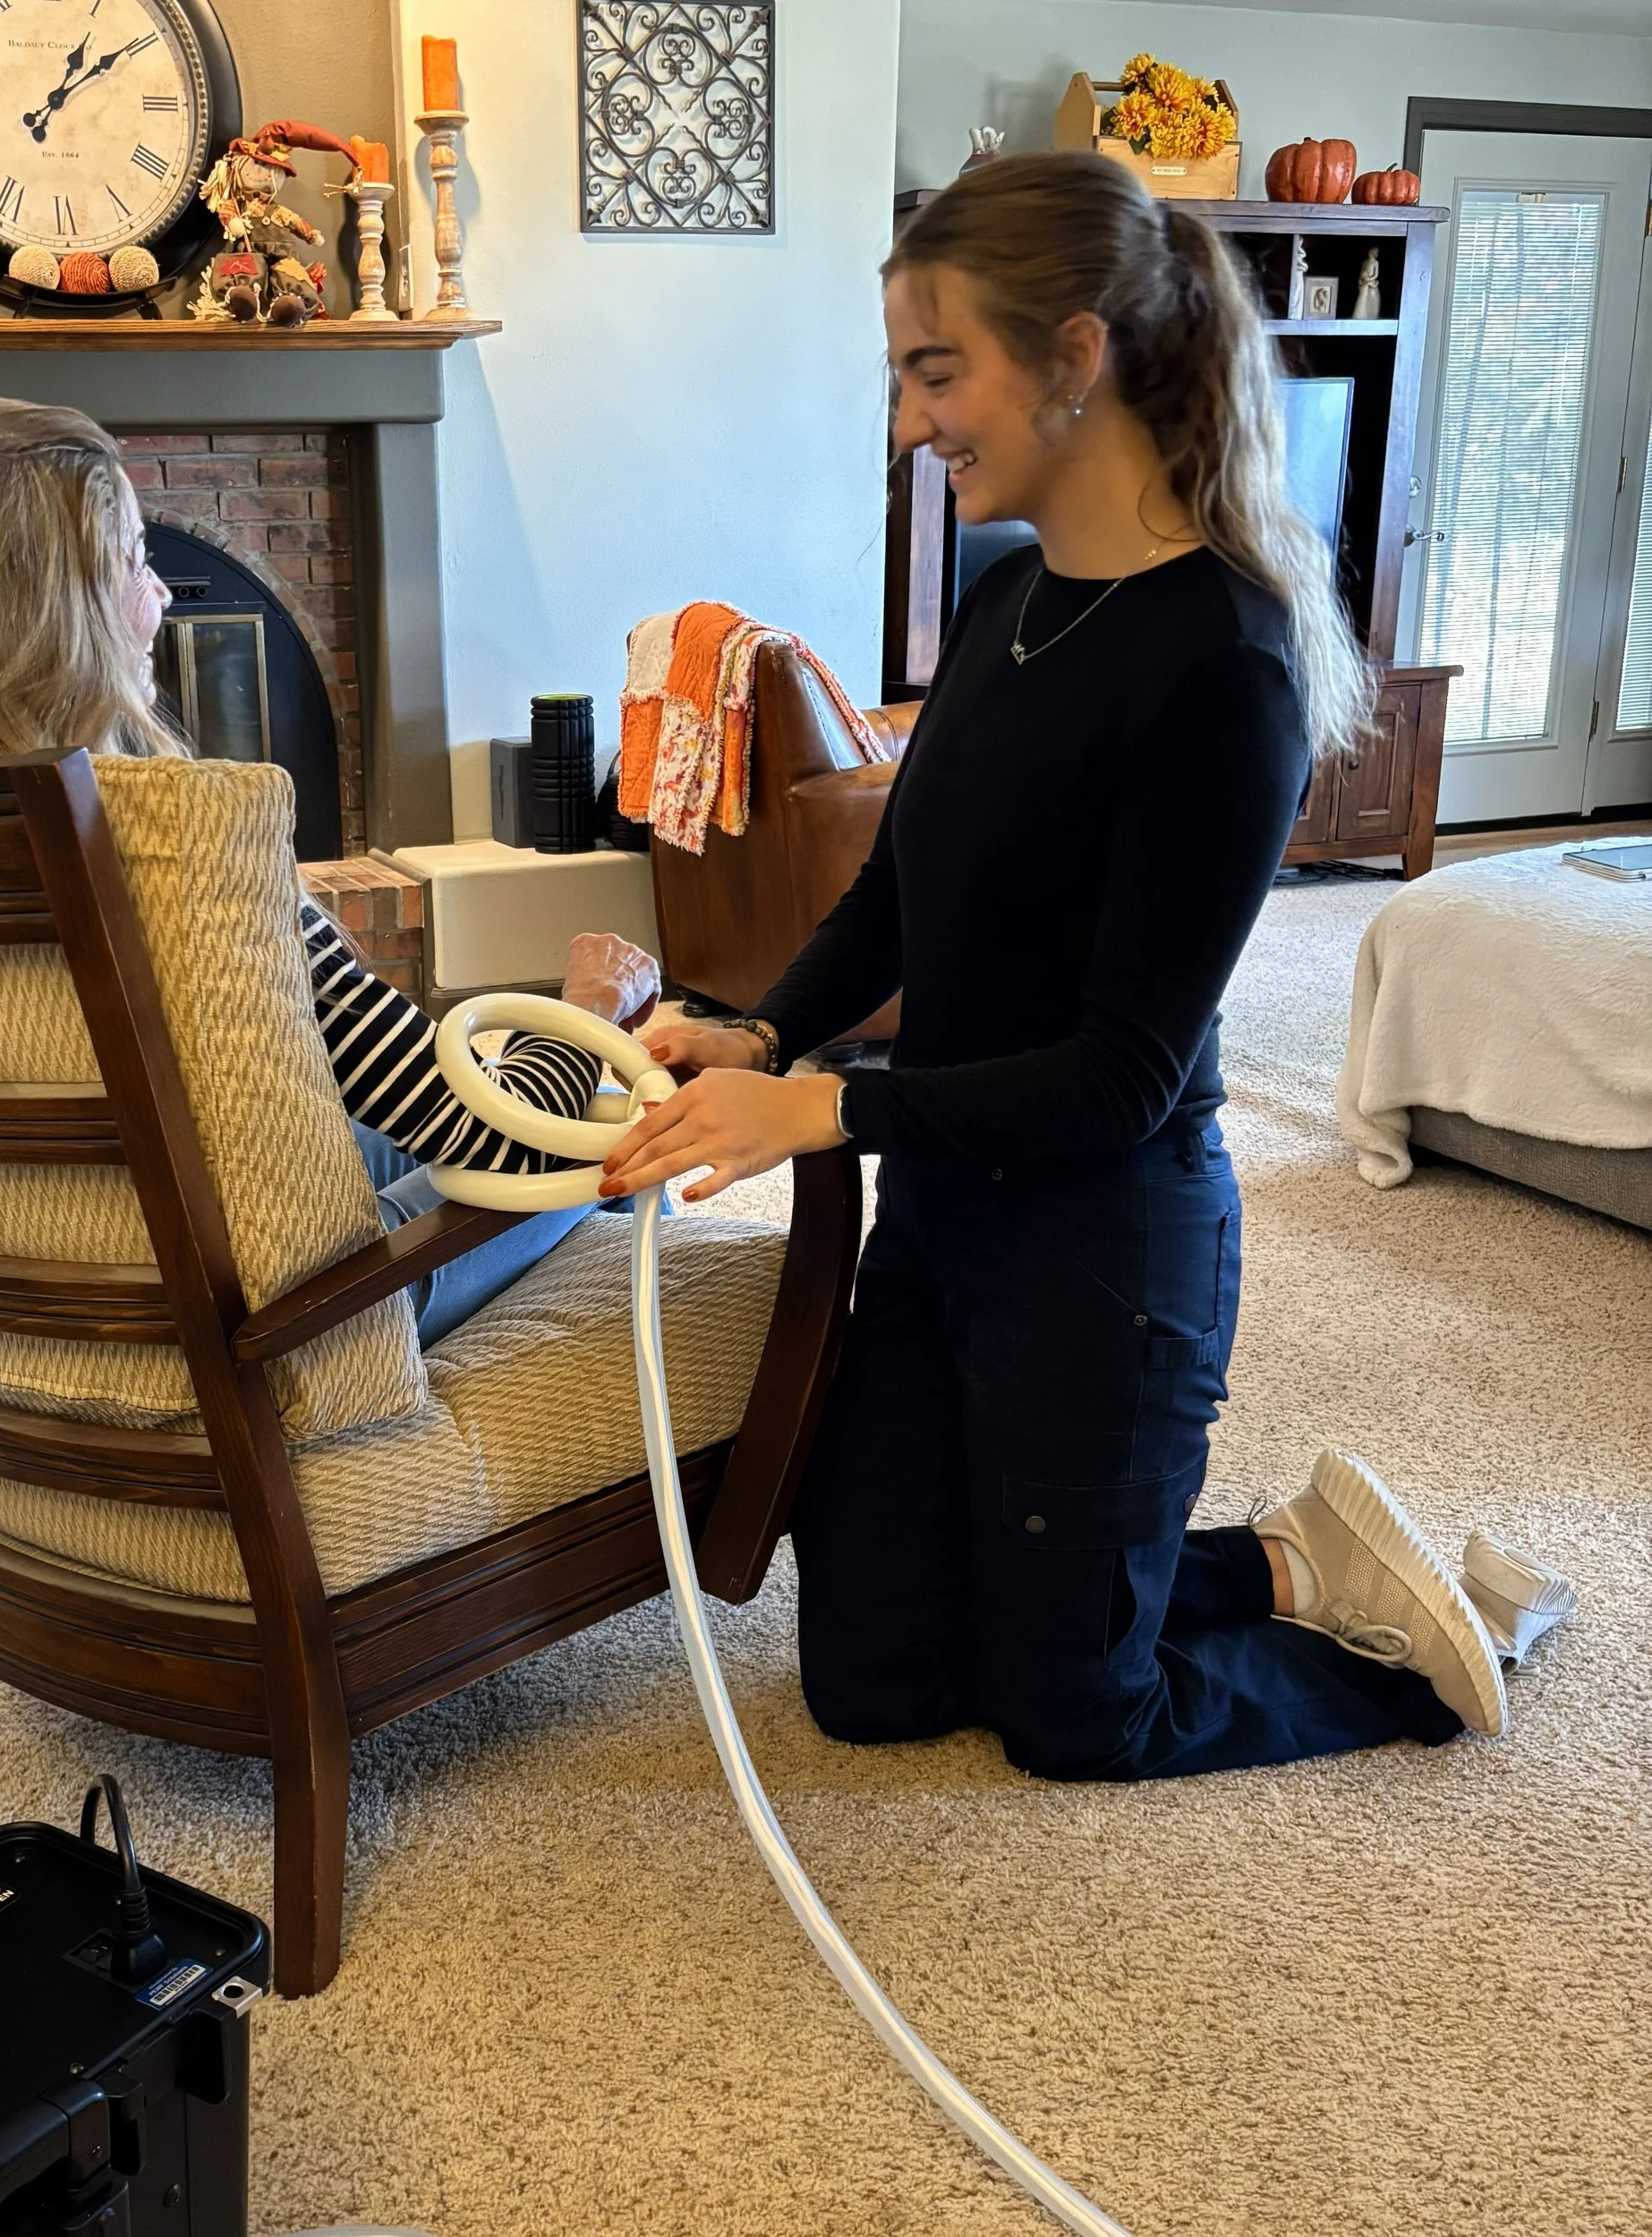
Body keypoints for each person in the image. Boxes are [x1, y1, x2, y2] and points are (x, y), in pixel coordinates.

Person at [600, 152, 1572, 1776]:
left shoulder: (1226, 661)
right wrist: (762, 1040)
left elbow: (1121, 1076)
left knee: (1076, 1717)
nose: (912, 424)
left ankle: (1437, 1655)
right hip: (942, 1230)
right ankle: (1274, 1557)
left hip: (1103, 1264)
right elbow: (899, 902)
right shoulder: (1007, 605)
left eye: (937, 371)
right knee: (874, 1682)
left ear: (1073, 355)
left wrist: (828, 1118)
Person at [0, 390, 659, 1343]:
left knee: (424, 1118)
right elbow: (506, 1134)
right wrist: (589, 1007)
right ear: (53, 610)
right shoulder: (181, 857)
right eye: (133, 559)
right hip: (286, 1334)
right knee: (622, 1124)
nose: (162, 595)